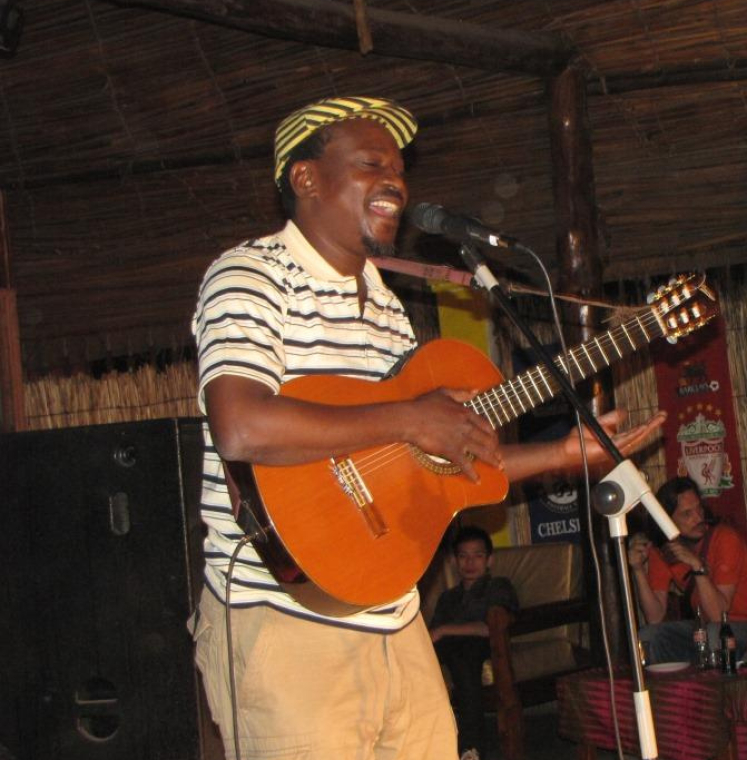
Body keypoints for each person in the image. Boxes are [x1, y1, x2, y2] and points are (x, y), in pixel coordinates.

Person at [189, 95, 666, 760]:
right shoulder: (252, 274)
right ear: (306, 179)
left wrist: (559, 454)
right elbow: (241, 426)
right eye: (370, 164)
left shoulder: (385, 305)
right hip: (284, 619)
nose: (396, 182)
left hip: (394, 613)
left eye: (400, 170)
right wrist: (412, 417)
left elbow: (435, 466)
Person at [628, 476, 747, 665]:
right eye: (687, 514)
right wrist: (638, 571)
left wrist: (697, 566)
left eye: (699, 508)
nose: (698, 518)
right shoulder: (664, 551)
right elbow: (654, 616)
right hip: (705, 627)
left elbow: (719, 615)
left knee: (714, 637)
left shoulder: (725, 538)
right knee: (648, 637)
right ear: (666, 520)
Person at [430, 526, 518, 760]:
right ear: (454, 561)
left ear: (489, 559)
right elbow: (432, 635)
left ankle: (471, 749)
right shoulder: (448, 597)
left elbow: (490, 628)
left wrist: (444, 630)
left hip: (484, 647)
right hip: (448, 649)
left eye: (477, 556)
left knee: (463, 656)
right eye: (463, 556)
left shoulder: (497, 586)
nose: (470, 563)